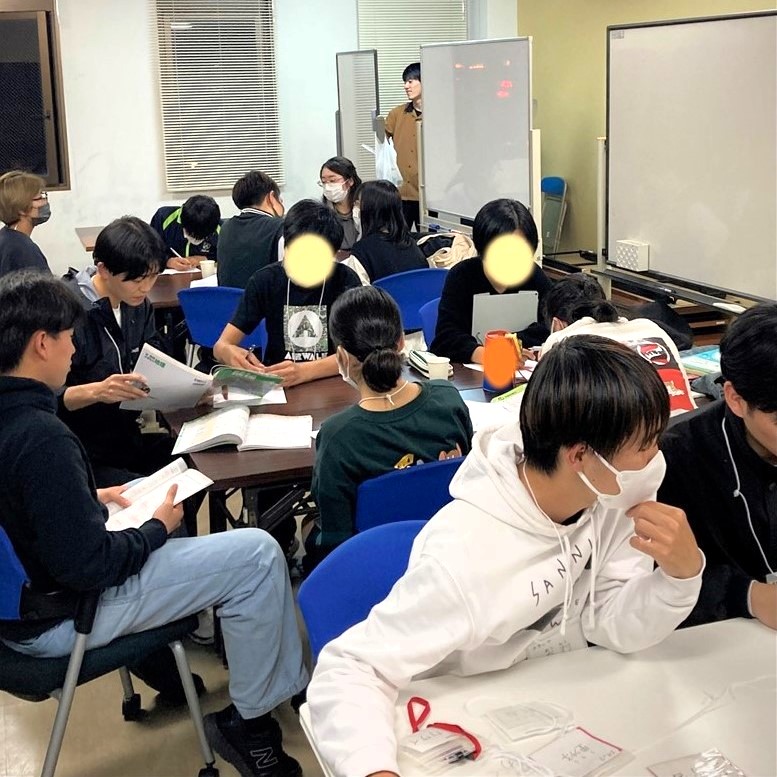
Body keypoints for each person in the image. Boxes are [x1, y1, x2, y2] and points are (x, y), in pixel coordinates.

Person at [307, 335, 704, 776]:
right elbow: (350, 668)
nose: (656, 456)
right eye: (646, 444)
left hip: (556, 708)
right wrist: (373, 767)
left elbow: (606, 617)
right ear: (580, 456)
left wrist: (680, 578)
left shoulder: (609, 495)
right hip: (460, 726)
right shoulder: (465, 556)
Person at [0, 270, 308, 777]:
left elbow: (21, 503)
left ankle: (230, 684)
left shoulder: (16, 422)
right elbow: (90, 566)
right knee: (256, 555)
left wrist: (87, 498)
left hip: (23, 604)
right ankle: (252, 726)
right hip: (60, 618)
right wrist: (156, 528)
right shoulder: (42, 438)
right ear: (41, 343)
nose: (74, 349)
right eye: (69, 338)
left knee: (189, 524)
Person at [307, 286, 473, 571]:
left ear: (342, 357)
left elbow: (336, 538)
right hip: (447, 559)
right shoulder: (448, 399)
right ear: (401, 342)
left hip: (373, 570)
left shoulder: (337, 436)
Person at [659, 304, 777, 631]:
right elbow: (642, 579)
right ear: (735, 399)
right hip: (715, 636)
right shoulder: (673, 456)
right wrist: (748, 595)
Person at [59, 217, 177, 488]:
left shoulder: (138, 305)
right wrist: (97, 391)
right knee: (155, 491)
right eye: (136, 280)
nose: (146, 288)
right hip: (83, 448)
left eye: (153, 277)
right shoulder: (67, 312)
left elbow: (152, 353)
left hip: (128, 433)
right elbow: (42, 396)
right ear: (103, 269)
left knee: (193, 464)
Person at [214, 199, 361, 387]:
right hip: (279, 385)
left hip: (334, 384)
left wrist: (304, 371)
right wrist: (229, 352)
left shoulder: (345, 280)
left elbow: (358, 353)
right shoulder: (265, 281)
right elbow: (221, 346)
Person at [539, 273, 695, 415]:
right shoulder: (650, 327)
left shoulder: (562, 342)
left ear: (557, 324)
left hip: (631, 433)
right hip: (680, 427)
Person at [430, 198, 553, 361]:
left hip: (522, 368)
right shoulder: (462, 276)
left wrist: (513, 344)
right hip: (470, 372)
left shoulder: (533, 275)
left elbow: (552, 325)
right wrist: (489, 354)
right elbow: (446, 338)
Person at [342, 180, 429, 284]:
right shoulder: (411, 243)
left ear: (371, 210)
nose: (355, 209)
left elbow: (358, 292)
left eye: (357, 204)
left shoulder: (362, 250)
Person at [218, 170, 285, 289]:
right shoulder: (280, 227)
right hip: (264, 300)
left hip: (230, 300)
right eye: (279, 199)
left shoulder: (225, 228)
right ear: (271, 197)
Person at [384, 62, 423, 231]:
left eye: (411, 81)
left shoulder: (440, 113)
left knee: (428, 239)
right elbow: (381, 144)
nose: (406, 86)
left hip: (429, 195)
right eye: (405, 82)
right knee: (398, 237)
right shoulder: (397, 114)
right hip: (402, 193)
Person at [0, 171, 52, 277]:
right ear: (21, 209)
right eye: (40, 198)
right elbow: (43, 287)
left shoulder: (5, 237)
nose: (45, 202)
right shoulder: (23, 251)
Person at [150, 194, 221, 270]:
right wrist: (167, 262)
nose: (194, 239)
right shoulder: (163, 218)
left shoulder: (219, 228)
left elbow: (225, 254)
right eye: (190, 234)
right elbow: (150, 253)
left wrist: (205, 259)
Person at [318, 156, 362, 251]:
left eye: (332, 181)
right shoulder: (320, 212)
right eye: (324, 182)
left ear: (350, 181)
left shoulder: (364, 208)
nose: (328, 186)